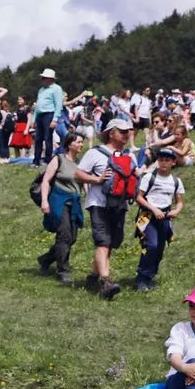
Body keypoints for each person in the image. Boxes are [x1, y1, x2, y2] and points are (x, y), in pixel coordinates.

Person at [76, 119, 134, 300]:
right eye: (122, 132)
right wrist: (97, 180)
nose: (127, 135)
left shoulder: (128, 155)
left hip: (119, 205)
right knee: (103, 242)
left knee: (111, 243)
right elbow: (78, 174)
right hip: (98, 205)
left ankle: (93, 277)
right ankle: (106, 282)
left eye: (128, 132)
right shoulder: (94, 153)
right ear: (111, 133)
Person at [37, 132, 89, 284]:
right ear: (69, 143)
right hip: (58, 201)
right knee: (64, 235)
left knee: (71, 238)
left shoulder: (80, 164)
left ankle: (46, 259)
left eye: (82, 142)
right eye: (78, 142)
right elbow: (46, 181)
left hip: (74, 202)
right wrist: (44, 201)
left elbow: (84, 183)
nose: (81, 145)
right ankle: (63, 271)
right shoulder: (58, 159)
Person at [133, 148, 185, 292]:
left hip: (165, 218)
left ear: (173, 163)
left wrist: (177, 210)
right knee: (151, 245)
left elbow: (179, 201)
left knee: (159, 249)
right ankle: (141, 278)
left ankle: (150, 277)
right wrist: (154, 209)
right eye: (161, 159)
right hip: (148, 216)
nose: (163, 163)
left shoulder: (175, 181)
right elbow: (138, 197)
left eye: (167, 160)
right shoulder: (149, 177)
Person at [32, 68, 66, 166]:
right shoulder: (41, 90)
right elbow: (38, 105)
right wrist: (34, 118)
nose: (42, 80)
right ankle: (36, 160)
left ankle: (47, 160)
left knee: (48, 138)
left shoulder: (56, 89)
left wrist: (55, 119)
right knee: (38, 139)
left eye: (44, 78)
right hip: (40, 115)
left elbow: (58, 104)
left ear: (50, 79)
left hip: (49, 114)